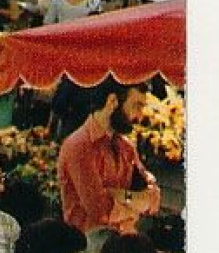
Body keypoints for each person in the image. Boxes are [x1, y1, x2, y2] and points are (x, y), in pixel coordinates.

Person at [57, 80, 161, 242]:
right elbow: (101, 211)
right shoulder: (79, 145)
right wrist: (135, 205)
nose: (140, 116)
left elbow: (154, 199)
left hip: (123, 245)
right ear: (112, 101)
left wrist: (119, 195)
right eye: (136, 106)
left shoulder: (126, 147)